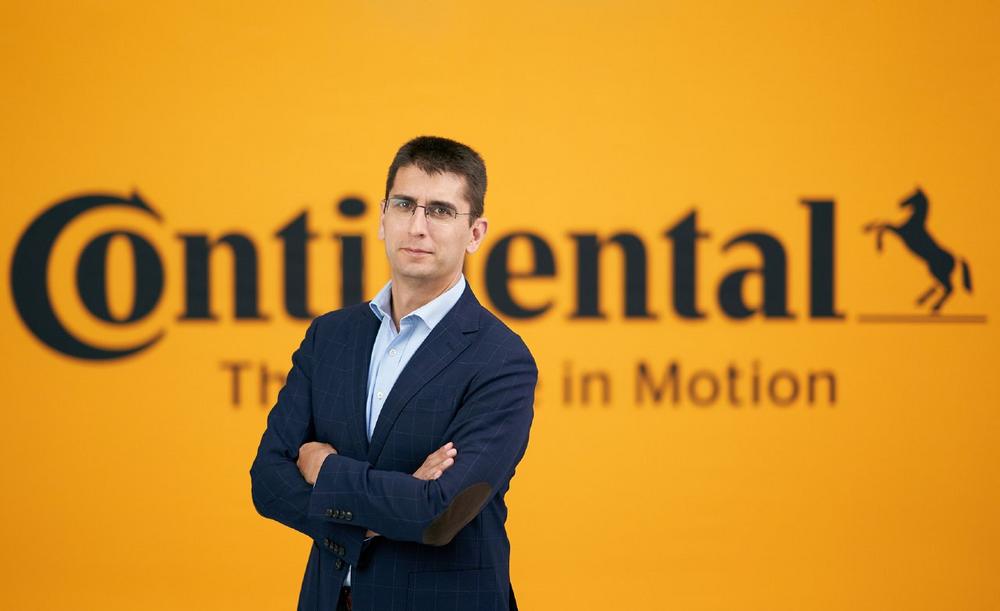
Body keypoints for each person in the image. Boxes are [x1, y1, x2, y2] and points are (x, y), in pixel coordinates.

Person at [250, 135, 537, 611]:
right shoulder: (330, 337)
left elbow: (439, 512)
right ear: (383, 217)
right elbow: (268, 481)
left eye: (441, 211)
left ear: (475, 233)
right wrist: (376, 517)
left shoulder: (501, 359)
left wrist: (325, 470)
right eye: (404, 205)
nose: (417, 226)